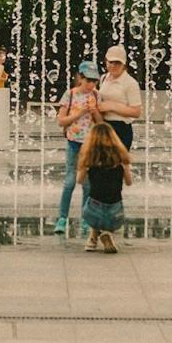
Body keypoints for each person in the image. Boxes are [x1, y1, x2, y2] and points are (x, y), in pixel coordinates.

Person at [55, 61, 102, 237]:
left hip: (90, 145)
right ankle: (62, 218)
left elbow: (101, 123)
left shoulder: (97, 96)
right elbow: (61, 121)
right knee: (69, 182)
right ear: (80, 78)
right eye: (88, 80)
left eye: (95, 81)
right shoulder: (70, 94)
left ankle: (85, 218)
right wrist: (79, 113)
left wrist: (95, 111)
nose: (91, 84)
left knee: (88, 184)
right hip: (73, 143)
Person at [77, 122, 132, 254]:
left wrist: (87, 170)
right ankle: (107, 232)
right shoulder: (120, 161)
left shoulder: (90, 161)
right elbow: (129, 182)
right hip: (116, 214)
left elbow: (79, 181)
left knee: (95, 205)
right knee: (109, 209)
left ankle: (93, 237)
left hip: (92, 212)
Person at [97, 44, 143, 150]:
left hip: (121, 128)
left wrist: (112, 106)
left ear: (124, 64)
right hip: (104, 126)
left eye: (117, 62)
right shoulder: (104, 78)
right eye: (110, 62)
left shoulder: (130, 83)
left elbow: (136, 112)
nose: (113, 66)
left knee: (118, 165)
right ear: (106, 61)